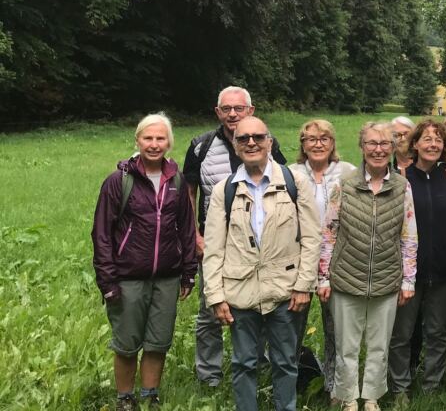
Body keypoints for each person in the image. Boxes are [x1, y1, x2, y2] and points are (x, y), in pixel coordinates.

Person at [201, 116, 320, 411]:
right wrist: (215, 296)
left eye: (257, 137)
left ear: (269, 141)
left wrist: (304, 285)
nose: (251, 143)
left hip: (285, 291)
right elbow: (214, 248)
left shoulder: (294, 182)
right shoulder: (224, 190)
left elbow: (311, 237)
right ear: (234, 144)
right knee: (243, 363)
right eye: (243, 139)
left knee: (285, 362)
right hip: (240, 293)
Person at [92, 114, 198, 411]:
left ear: (169, 142)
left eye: (160, 139)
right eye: (148, 138)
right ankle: (125, 399)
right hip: (127, 277)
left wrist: (189, 272)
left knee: (158, 342)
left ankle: (150, 395)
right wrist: (107, 281)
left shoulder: (176, 180)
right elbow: (101, 233)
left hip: (167, 276)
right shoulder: (119, 181)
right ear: (137, 140)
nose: (154, 144)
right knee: (126, 344)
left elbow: (187, 229)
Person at [183, 86, 286, 387]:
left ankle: (257, 367)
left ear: (250, 111)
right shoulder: (200, 146)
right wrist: (195, 236)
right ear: (217, 112)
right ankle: (210, 377)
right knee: (209, 313)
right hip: (214, 245)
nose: (232, 114)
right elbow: (189, 193)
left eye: (238, 108)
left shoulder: (268, 143)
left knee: (260, 307)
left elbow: (282, 184)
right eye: (226, 109)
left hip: (258, 247)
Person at [318, 122, 418, 411]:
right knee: (346, 347)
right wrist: (323, 277)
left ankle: (371, 397)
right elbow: (329, 232)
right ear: (362, 147)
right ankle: (348, 398)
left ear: (392, 147)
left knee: (378, 345)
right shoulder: (345, 185)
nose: (378, 149)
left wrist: (407, 280)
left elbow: (409, 236)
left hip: (387, 279)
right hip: (346, 278)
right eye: (372, 143)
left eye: (384, 143)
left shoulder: (402, 186)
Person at [388, 120, 446, 399]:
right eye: (427, 139)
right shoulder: (401, 176)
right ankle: (400, 389)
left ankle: (432, 387)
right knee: (401, 334)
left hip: (443, 270)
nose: (433, 144)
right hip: (407, 271)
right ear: (414, 144)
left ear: (444, 146)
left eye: (438, 140)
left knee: (438, 332)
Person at [288, 119, 357, 396]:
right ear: (302, 144)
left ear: (333, 143)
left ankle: (334, 388)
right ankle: (289, 385)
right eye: (311, 139)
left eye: (324, 138)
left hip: (338, 263)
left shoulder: (348, 173)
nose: (318, 144)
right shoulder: (289, 173)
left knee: (337, 330)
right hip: (298, 262)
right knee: (292, 328)